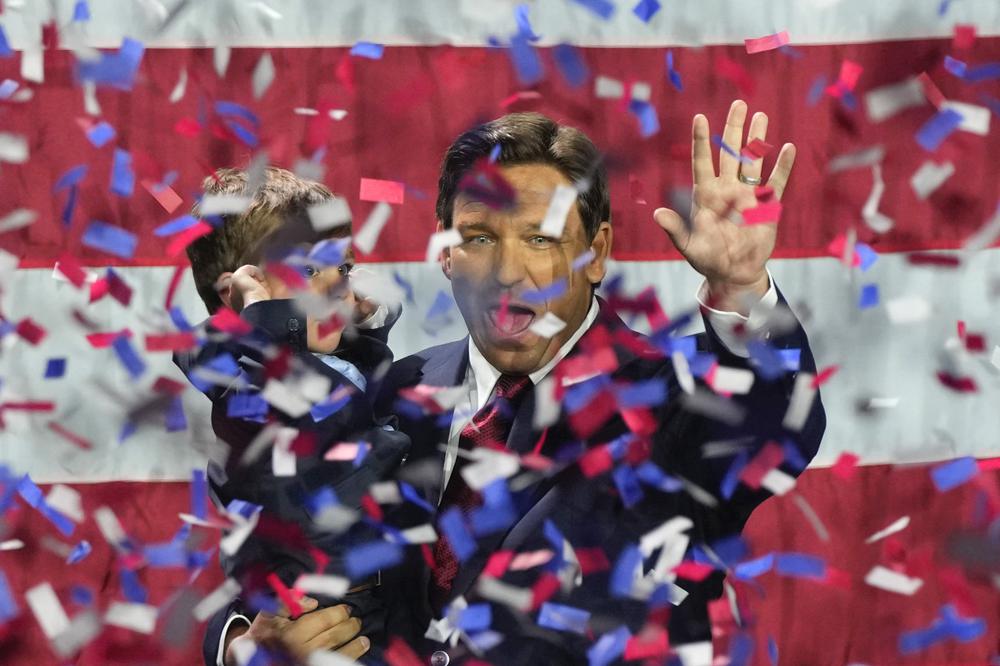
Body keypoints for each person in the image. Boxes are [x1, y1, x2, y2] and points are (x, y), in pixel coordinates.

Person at [207, 101, 827, 665]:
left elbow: (783, 427)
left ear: (598, 251)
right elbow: (274, 550)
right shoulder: (393, 390)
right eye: (480, 238)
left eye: (541, 238)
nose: (508, 271)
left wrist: (743, 288)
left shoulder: (676, 399)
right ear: (446, 253)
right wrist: (243, 645)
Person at [177, 167, 407, 665]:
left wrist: (369, 329)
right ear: (238, 293)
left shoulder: (318, 362)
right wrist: (267, 323)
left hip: (374, 612)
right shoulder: (241, 387)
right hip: (319, 618)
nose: (337, 289)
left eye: (343, 269)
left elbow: (348, 401)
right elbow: (318, 422)